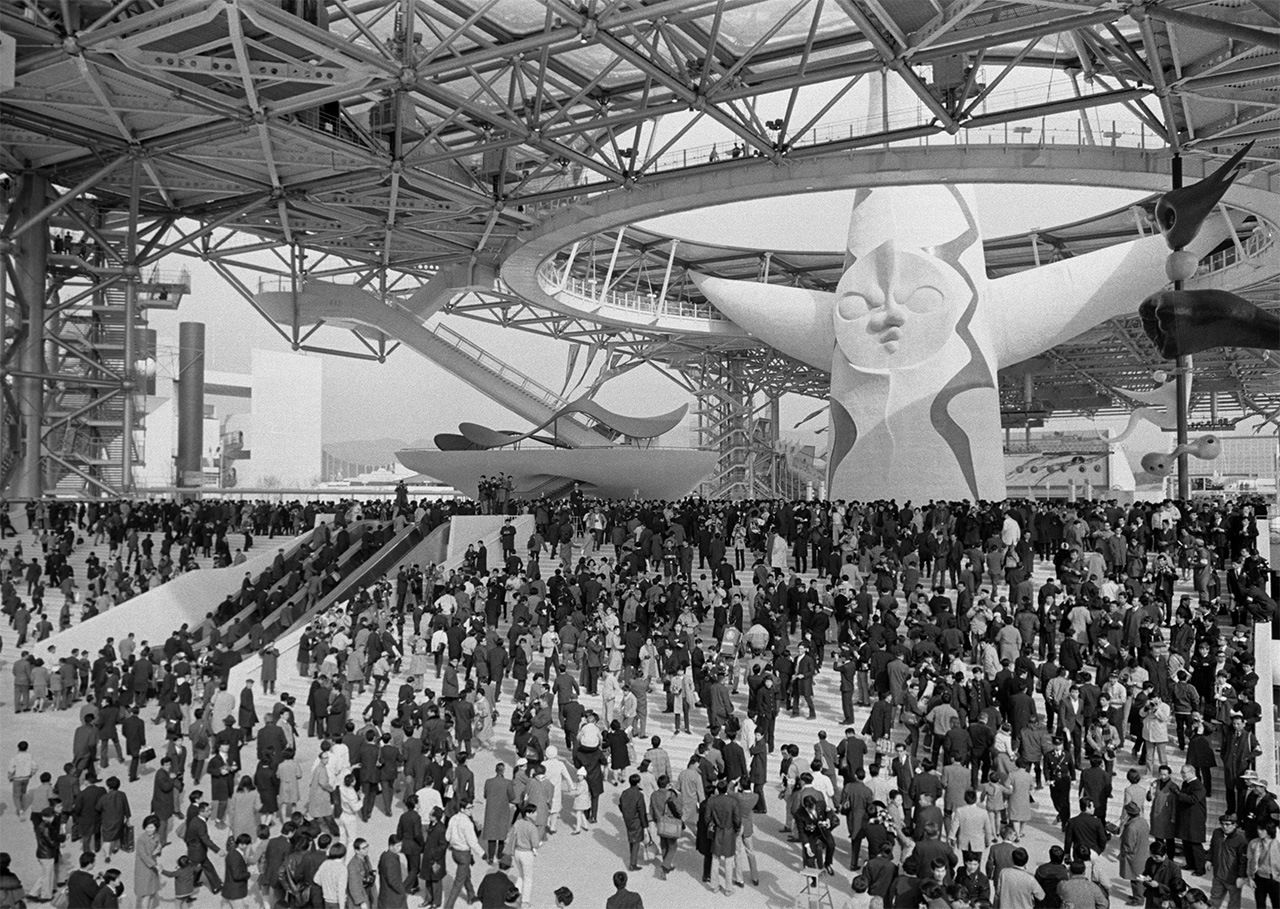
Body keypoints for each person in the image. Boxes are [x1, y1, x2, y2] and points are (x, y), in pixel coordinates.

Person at [1208, 812, 1247, 909]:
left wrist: (1241, 876)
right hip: (1218, 875)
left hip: (1233, 878)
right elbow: (1212, 847)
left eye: (1227, 824)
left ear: (1234, 825)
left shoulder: (1241, 839)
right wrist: (1208, 859)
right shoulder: (1217, 833)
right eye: (1222, 824)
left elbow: (1243, 860)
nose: (1224, 827)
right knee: (1214, 900)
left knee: (1234, 902)